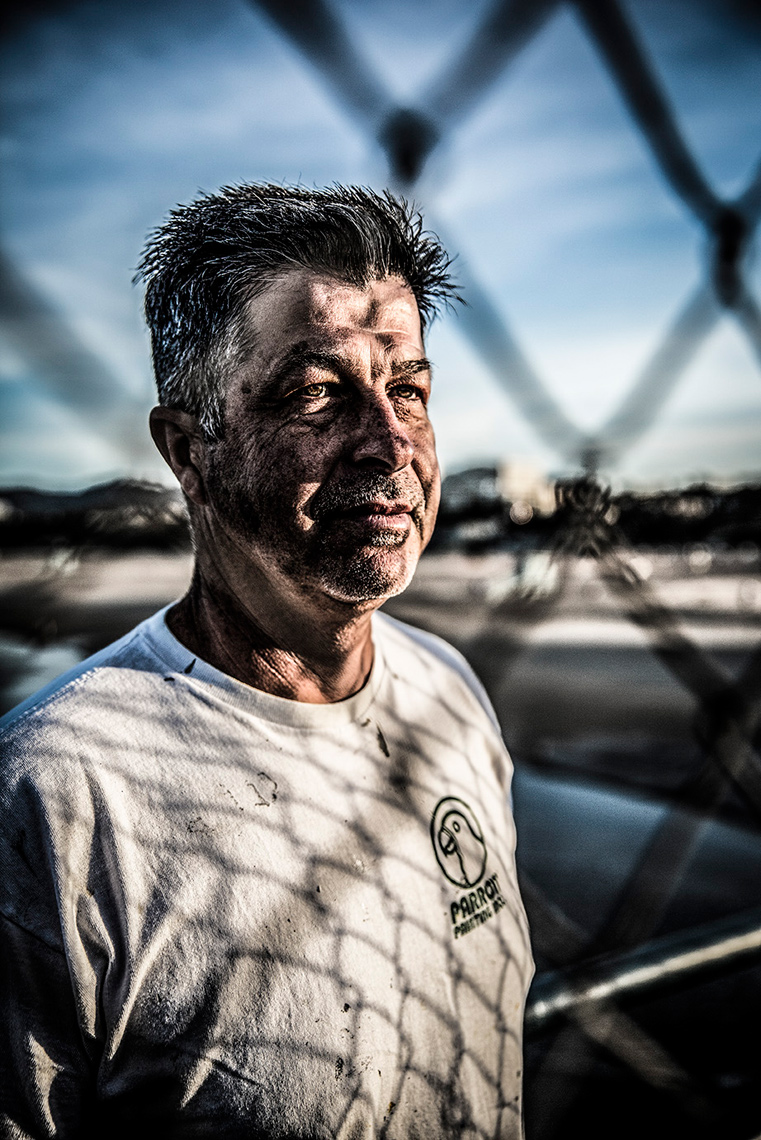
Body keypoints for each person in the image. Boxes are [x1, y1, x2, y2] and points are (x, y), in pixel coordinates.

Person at [0, 184, 533, 1138]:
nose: (389, 442)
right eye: (317, 393)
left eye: (407, 387)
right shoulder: (55, 793)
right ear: (187, 450)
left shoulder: (449, 694)